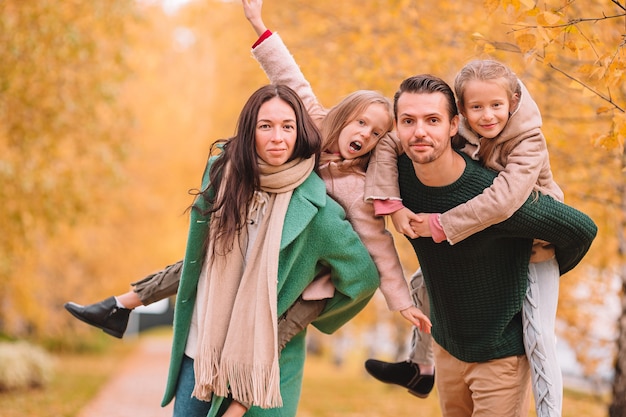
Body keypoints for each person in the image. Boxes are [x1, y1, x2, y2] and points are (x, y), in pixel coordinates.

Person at [64, 0, 432, 383]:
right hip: (267, 236)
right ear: (344, 115)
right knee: (206, 257)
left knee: (275, 330)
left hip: (307, 267)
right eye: (360, 123)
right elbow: (289, 77)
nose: (364, 135)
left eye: (375, 134)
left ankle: (238, 394)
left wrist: (401, 300)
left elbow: (379, 245)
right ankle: (121, 305)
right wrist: (257, 23)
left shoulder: (360, 187)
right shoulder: (314, 127)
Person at [368, 73, 596, 416]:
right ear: (397, 128)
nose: (419, 132)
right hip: (446, 349)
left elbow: (581, 228)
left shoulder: (495, 196)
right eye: (408, 121)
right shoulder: (397, 179)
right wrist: (392, 206)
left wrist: (538, 260)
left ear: (454, 125)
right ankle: (418, 369)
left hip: (499, 357)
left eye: (432, 120)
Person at [163, 83, 382, 417]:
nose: (277, 137)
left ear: (300, 133)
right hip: (200, 357)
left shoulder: (316, 212)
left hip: (264, 369)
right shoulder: (223, 176)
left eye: (287, 126)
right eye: (266, 126)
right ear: (251, 131)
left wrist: (298, 316)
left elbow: (363, 278)